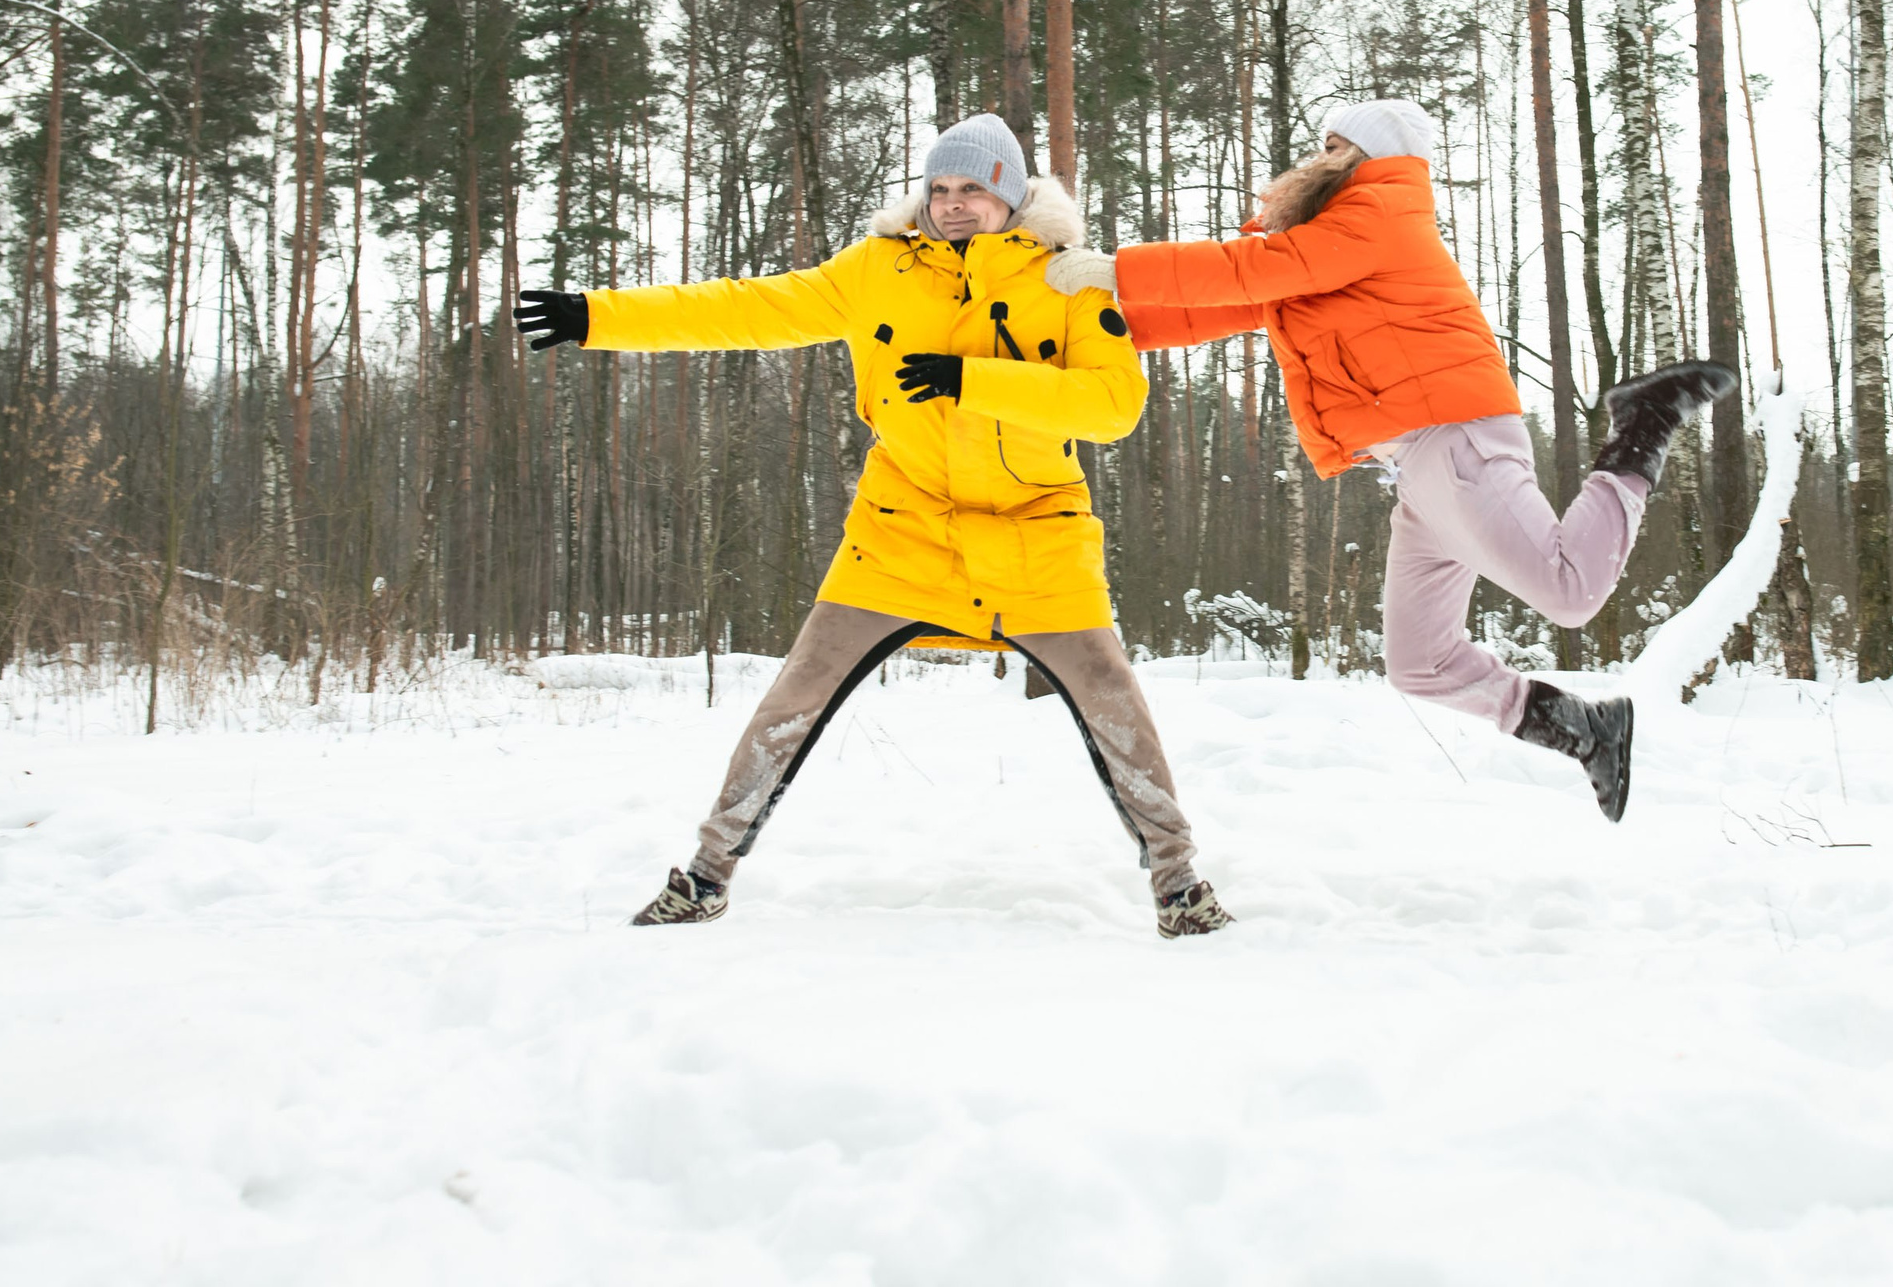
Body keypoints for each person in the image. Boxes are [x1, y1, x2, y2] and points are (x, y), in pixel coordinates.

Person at [514, 114, 1233, 937]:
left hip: (1037, 531)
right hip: (902, 529)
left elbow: (1113, 407)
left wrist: (974, 380)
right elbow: (747, 309)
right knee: (798, 692)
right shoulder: (876, 269)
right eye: (940, 189)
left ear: (1011, 193)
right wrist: (596, 318)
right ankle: (707, 874)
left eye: (973, 189)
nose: (954, 204)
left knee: (1114, 701)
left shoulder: (1069, 277)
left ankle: (1178, 887)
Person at [1045, 99, 1732, 823]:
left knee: (1569, 591)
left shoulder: (1380, 213)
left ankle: (1643, 424)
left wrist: (1119, 268)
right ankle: (1584, 729)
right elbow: (1225, 303)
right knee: (1422, 661)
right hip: (1421, 464)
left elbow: (1251, 268)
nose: (1322, 154)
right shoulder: (1327, 233)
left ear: (1370, 156)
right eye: (1325, 141)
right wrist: (1091, 322)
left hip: (1456, 436)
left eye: (1339, 144)